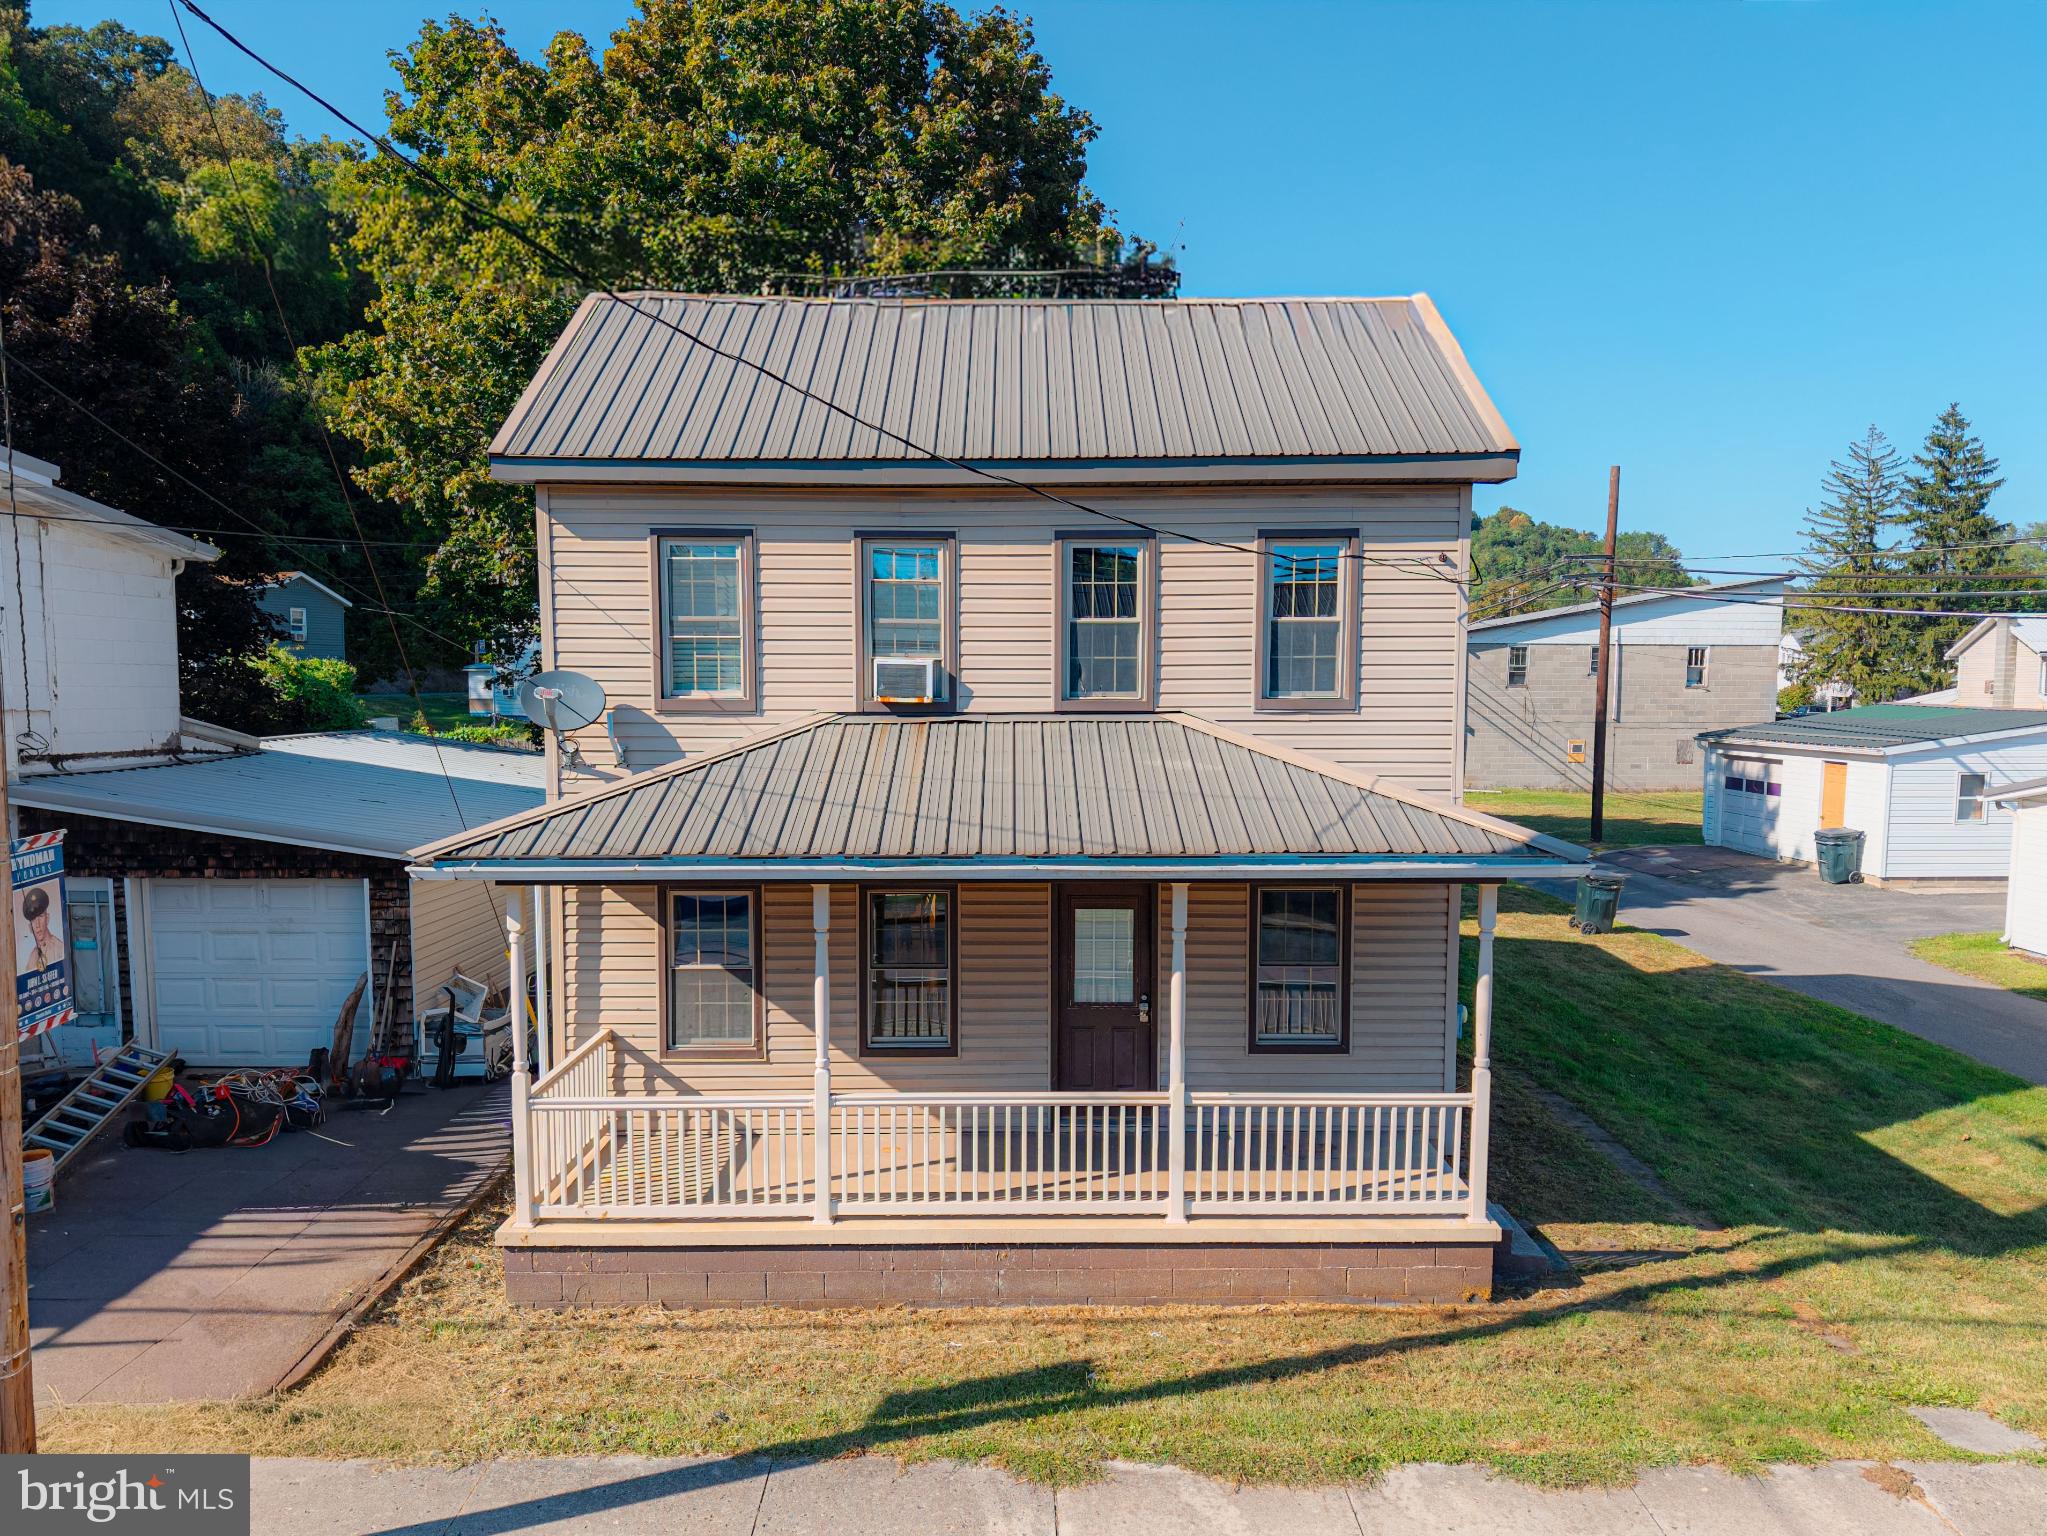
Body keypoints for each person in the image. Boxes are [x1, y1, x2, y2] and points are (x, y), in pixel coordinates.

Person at [18, 884, 63, 973]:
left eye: (40, 916)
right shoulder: (32, 958)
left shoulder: (59, 949)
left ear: (47, 918)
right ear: (30, 927)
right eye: (33, 920)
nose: (37, 924)